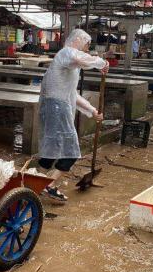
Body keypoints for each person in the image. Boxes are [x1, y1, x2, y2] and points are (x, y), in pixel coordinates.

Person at [38, 29, 109, 201]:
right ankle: (48, 184)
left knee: (51, 149)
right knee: (71, 152)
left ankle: (34, 181)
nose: (86, 49)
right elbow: (79, 58)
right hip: (57, 107)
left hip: (54, 107)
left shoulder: (69, 65)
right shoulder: (66, 53)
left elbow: (72, 95)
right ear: (77, 40)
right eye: (86, 44)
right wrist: (102, 62)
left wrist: (92, 111)